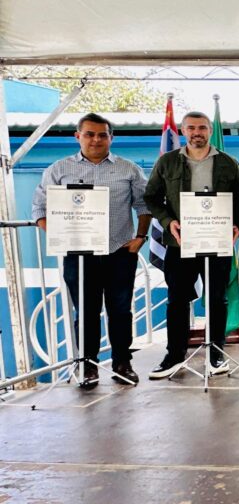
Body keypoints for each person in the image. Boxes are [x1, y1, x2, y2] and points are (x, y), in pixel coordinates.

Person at [31, 113, 152, 386]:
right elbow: (39, 208)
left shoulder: (129, 169)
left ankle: (123, 363)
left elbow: (144, 205)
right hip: (78, 255)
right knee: (85, 312)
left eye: (102, 135)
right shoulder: (58, 170)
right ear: (78, 136)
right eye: (89, 134)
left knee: (120, 311)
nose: (95, 140)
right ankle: (88, 366)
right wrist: (61, 235)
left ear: (111, 137)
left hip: (119, 252)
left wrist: (141, 236)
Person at [144, 111, 239, 379]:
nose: (196, 132)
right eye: (191, 128)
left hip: (218, 242)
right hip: (180, 244)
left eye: (202, 128)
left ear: (210, 131)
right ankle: (174, 356)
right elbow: (151, 198)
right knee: (177, 299)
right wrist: (168, 222)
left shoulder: (228, 163)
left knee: (217, 299)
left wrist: (238, 225)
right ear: (182, 131)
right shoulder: (166, 162)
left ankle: (216, 353)